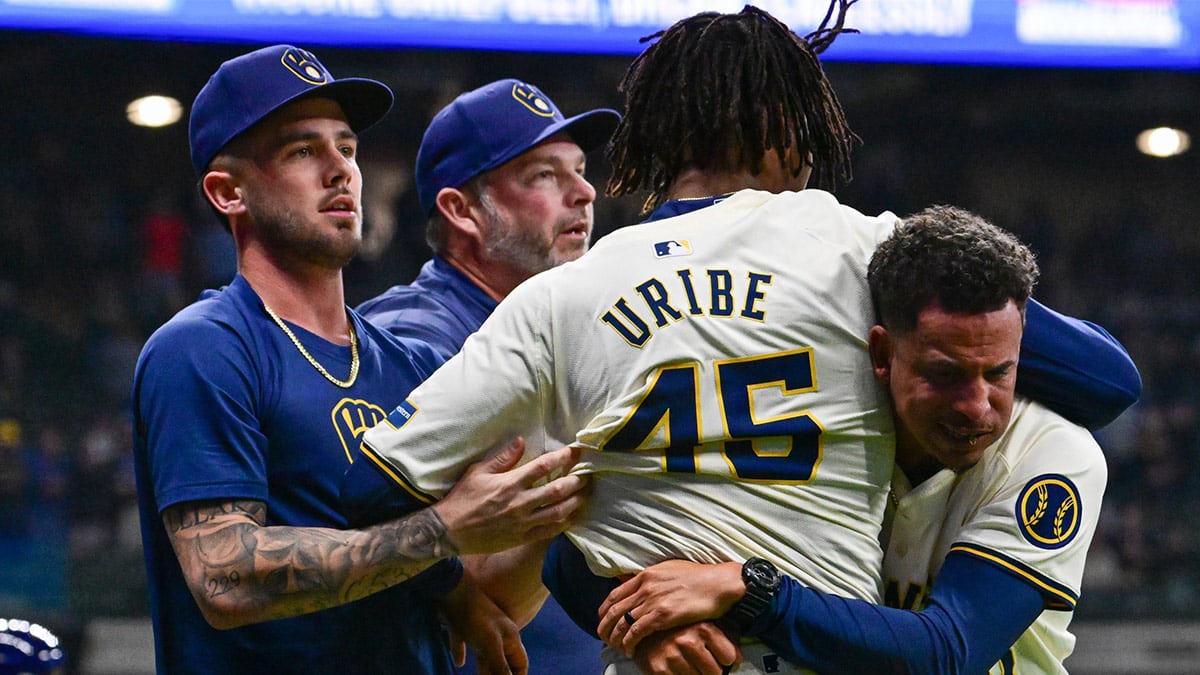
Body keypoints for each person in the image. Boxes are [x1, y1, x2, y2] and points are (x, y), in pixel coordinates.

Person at [343, 5, 1139, 674]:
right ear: (794, 129)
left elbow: (368, 491)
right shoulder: (860, 249)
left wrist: (455, 562)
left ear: (662, 134)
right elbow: (1105, 380)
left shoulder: (560, 294)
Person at [132, 44, 587, 674]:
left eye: (346, 147)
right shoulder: (203, 348)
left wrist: (583, 468)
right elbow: (226, 577)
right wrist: (444, 530)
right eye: (302, 151)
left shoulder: (415, 364)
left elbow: (491, 594)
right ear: (228, 191)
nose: (340, 170)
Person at [589, 206, 1109, 674]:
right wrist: (649, 629)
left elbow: (948, 652)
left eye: (999, 373)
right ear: (881, 355)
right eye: (944, 375)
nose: (976, 406)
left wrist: (750, 589)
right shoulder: (801, 420)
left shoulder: (1052, 452)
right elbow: (575, 548)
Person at [355, 79, 620, 673]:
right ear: (463, 210)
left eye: (578, 170)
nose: (583, 192)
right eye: (543, 176)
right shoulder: (406, 339)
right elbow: (367, 542)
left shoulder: (583, 323)